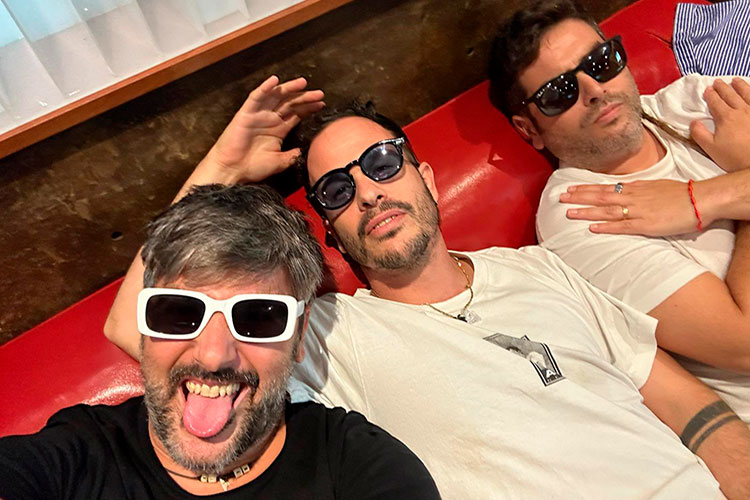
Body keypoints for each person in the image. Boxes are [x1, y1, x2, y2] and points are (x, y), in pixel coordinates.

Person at [104, 75, 750, 498]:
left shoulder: (538, 268)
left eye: (383, 163)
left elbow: (688, 405)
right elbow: (135, 324)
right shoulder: (327, 336)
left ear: (429, 178)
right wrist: (222, 167)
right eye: (338, 190)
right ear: (333, 236)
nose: (367, 192)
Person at [0, 184, 439, 500]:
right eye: (179, 313)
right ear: (145, 326)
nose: (213, 355)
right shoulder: (78, 454)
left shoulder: (359, 466)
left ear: (299, 336)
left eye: (259, 318)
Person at [488, 0, 750, 423]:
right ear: (529, 129)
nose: (595, 89)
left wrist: (707, 197)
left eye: (600, 61)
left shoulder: (697, 99)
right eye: (559, 93)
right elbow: (744, 344)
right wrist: (739, 180)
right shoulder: (580, 212)